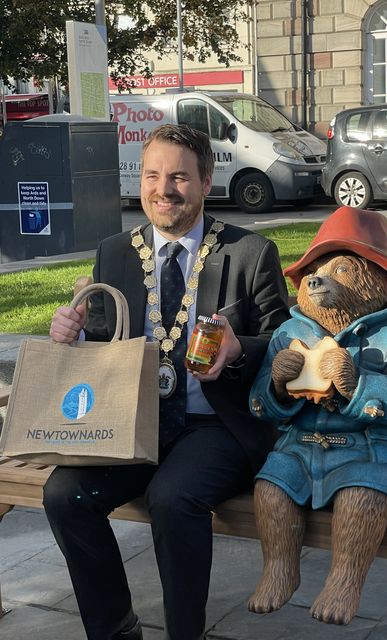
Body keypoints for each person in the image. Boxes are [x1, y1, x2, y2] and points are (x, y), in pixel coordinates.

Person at [43, 123, 289, 640]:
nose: (163, 189)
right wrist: (77, 335)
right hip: (133, 425)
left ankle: (185, 633)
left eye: (179, 176)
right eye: (152, 176)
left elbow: (285, 343)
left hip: (215, 426)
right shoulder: (115, 251)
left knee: (174, 500)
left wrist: (239, 347)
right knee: (65, 495)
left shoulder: (249, 253)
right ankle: (114, 628)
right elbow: (106, 342)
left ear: (205, 180)